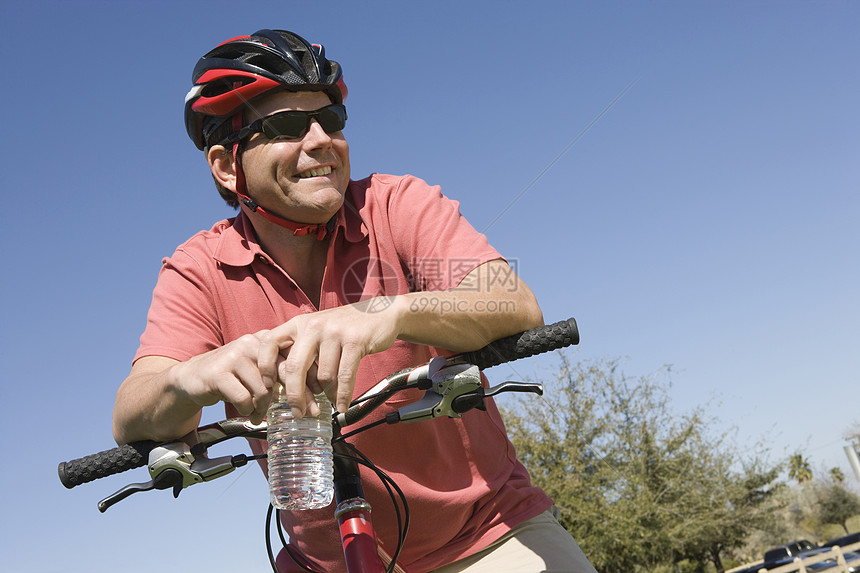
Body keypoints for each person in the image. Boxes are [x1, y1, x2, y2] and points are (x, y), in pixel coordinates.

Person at [112, 29, 596, 573]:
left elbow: (512, 302)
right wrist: (189, 377)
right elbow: (133, 409)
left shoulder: (397, 206)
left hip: (485, 534)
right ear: (227, 165)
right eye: (288, 126)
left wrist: (389, 313)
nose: (322, 139)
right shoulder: (198, 269)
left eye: (332, 120)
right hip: (322, 562)